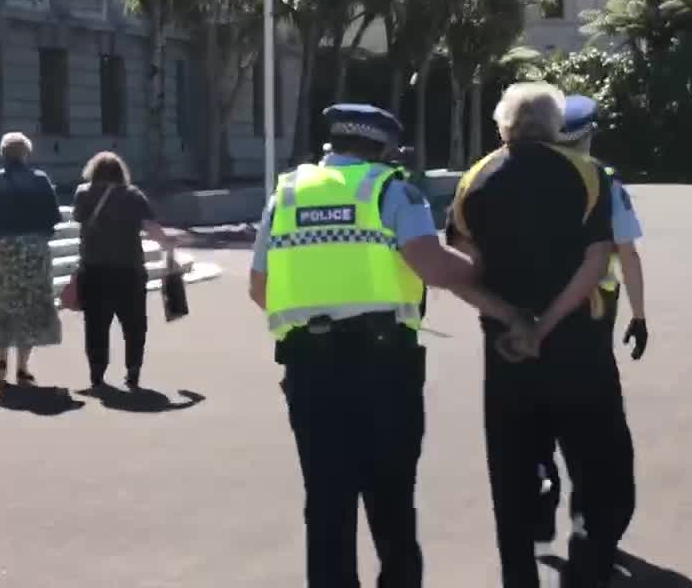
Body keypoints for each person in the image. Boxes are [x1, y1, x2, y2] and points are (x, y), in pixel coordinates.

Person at [248, 103, 529, 588]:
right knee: (390, 497)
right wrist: (487, 272)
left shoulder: (286, 195)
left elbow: (260, 288)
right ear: (382, 148)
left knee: (327, 501)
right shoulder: (390, 191)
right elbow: (434, 267)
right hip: (382, 367)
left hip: (309, 369)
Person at [446, 83, 635, 588]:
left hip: (506, 355)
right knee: (599, 473)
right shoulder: (587, 174)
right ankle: (586, 572)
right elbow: (598, 261)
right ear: (555, 126)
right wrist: (545, 325)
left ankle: (519, 578)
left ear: (502, 125)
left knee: (510, 481)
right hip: (578, 349)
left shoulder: (474, 178)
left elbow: (468, 263)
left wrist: (513, 320)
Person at [533, 94, 648, 544]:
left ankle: (539, 501)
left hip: (524, 317)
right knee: (594, 428)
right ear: (590, 135)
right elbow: (628, 254)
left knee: (532, 416)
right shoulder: (602, 181)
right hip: (587, 323)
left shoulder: (511, 176)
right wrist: (639, 316)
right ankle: (589, 519)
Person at [73, 150, 177, 390]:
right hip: (128, 270)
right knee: (134, 325)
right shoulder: (133, 196)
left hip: (94, 269)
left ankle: (97, 375)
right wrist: (168, 245)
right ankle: (133, 371)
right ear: (121, 172)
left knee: (96, 325)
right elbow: (151, 228)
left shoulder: (83, 194)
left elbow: (78, 220)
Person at [0, 132, 63, 385]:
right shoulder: (40, 180)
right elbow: (54, 217)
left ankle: (0, 359)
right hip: (33, 248)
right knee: (31, 305)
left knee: (2, 304)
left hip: (0, 250)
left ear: (3, 153)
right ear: (25, 153)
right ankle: (22, 367)